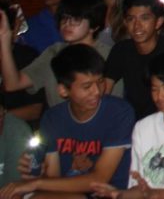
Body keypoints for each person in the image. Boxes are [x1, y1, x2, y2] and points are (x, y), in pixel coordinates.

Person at [0, 44, 135, 198]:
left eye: (100, 81)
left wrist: (36, 183)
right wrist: (38, 175)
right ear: (63, 90)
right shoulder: (53, 118)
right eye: (87, 86)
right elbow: (53, 177)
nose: (97, 91)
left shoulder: (119, 112)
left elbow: (99, 179)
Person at [90, 52, 164, 199]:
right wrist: (120, 194)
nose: (160, 96)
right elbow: (138, 186)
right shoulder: (143, 127)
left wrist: (153, 194)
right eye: (154, 89)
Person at [103, 0, 164, 120]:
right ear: (125, 22)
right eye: (131, 19)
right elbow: (105, 89)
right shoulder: (121, 49)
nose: (137, 26)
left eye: (145, 18)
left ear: (158, 22)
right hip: (130, 119)